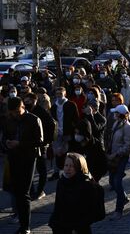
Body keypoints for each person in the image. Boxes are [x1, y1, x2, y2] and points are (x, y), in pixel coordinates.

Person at [1, 97, 43, 234]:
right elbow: (4, 137)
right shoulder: (9, 119)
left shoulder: (33, 119)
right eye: (12, 113)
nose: (15, 115)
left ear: (22, 107)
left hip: (28, 158)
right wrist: (6, 143)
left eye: (17, 112)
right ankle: (21, 221)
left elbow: (39, 141)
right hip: (13, 158)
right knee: (16, 191)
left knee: (24, 192)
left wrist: (20, 143)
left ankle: (26, 227)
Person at [49, 153, 104, 234]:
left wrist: (79, 226)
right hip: (61, 228)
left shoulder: (87, 186)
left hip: (80, 229)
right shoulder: (61, 182)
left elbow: (96, 213)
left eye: (71, 166)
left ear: (79, 168)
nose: (68, 168)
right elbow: (58, 206)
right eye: (66, 165)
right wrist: (53, 222)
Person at [24, 93, 56, 201]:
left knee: (41, 169)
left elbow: (52, 125)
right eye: (25, 101)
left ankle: (40, 190)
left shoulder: (41, 112)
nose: (26, 103)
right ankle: (31, 190)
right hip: (29, 145)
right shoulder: (26, 111)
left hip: (41, 146)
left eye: (29, 101)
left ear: (34, 101)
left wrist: (46, 142)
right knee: (29, 169)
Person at [107, 104, 130, 220]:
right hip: (113, 156)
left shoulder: (127, 127)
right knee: (112, 181)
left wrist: (116, 153)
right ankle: (123, 197)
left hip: (121, 157)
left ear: (121, 114)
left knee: (117, 182)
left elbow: (128, 145)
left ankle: (119, 210)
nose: (114, 114)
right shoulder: (116, 123)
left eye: (116, 113)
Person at [50, 87, 79, 181]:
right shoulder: (54, 106)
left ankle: (70, 172)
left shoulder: (71, 104)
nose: (59, 96)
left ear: (65, 94)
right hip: (57, 133)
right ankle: (56, 172)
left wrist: (75, 130)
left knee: (68, 153)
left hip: (68, 132)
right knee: (57, 153)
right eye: (57, 94)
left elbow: (76, 119)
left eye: (60, 94)